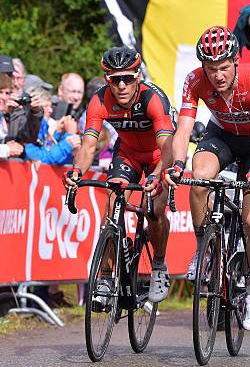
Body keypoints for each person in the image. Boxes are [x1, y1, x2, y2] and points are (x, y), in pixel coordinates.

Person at [165, 26, 250, 331]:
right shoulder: (194, 80)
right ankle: (203, 248)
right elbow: (183, 130)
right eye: (211, 69)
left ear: (236, 61)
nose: (218, 75)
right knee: (199, 177)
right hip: (221, 136)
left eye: (224, 67)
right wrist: (176, 164)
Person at [64, 46, 174, 303]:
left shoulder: (153, 99)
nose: (121, 85)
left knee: (154, 212)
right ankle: (104, 277)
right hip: (129, 155)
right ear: (107, 80)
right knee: (111, 209)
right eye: (115, 79)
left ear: (138, 76)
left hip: (160, 156)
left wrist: (157, 176)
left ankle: (158, 265)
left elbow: (167, 148)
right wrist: (77, 171)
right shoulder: (99, 101)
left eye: (127, 78)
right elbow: (88, 144)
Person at [23, 86, 81, 165]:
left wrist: (58, 133)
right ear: (32, 108)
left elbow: (49, 150)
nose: (50, 110)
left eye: (50, 106)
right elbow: (41, 159)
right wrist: (68, 140)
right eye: (45, 106)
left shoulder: (43, 127)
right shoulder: (27, 128)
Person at [0, 73, 23, 159]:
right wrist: (7, 149)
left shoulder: (2, 115)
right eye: (0, 92)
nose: (4, 97)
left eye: (7, 93)